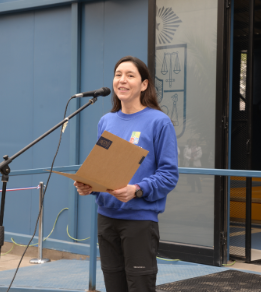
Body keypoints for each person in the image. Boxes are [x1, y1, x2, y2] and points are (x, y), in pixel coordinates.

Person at [74, 56, 179, 292]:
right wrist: (89, 185)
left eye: (130, 75)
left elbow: (169, 174)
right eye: (118, 74)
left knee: (139, 286)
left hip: (139, 221)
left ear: (144, 85)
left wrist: (137, 189)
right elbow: (103, 169)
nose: (122, 80)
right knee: (114, 285)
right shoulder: (106, 121)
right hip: (106, 219)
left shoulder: (159, 122)